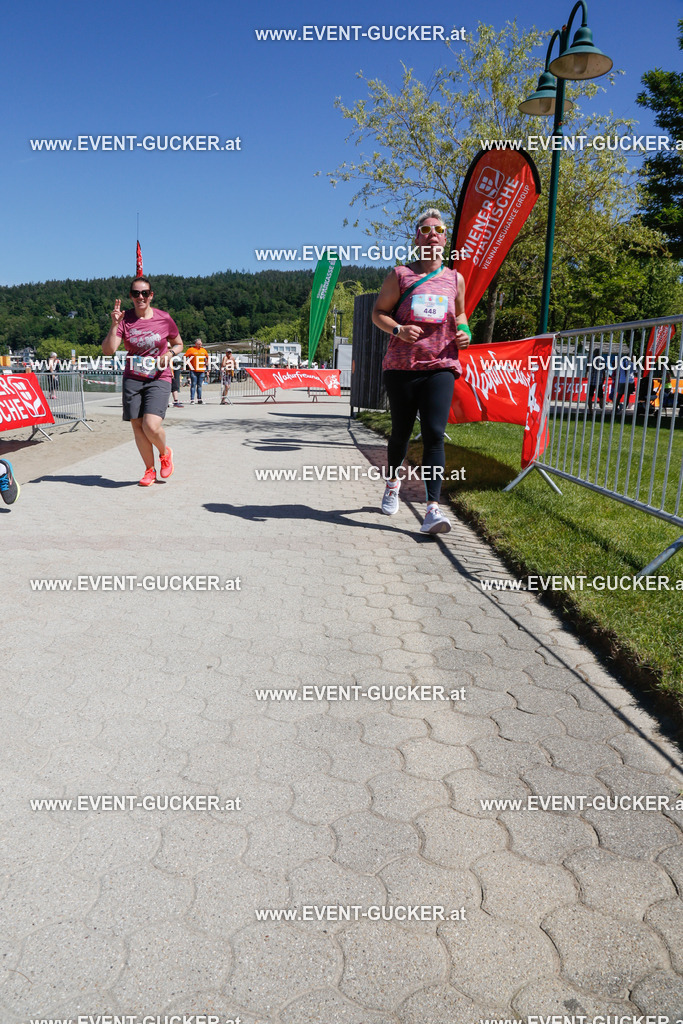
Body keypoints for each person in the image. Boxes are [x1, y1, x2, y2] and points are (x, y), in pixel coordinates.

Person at [371, 208, 471, 534]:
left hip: (441, 366)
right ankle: (391, 483)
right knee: (400, 432)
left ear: (445, 239)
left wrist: (465, 333)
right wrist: (399, 329)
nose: (432, 234)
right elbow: (378, 313)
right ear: (417, 238)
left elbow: (463, 316)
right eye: (425, 229)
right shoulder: (400, 275)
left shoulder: (455, 278)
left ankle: (432, 509)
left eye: (438, 229)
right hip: (402, 367)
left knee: (433, 434)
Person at [102, 276, 182, 486]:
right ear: (131, 296)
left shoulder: (164, 318)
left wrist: (170, 354)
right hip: (133, 379)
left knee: (151, 426)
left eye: (144, 293)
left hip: (158, 377)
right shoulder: (124, 319)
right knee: (137, 427)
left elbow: (179, 343)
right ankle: (149, 470)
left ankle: (165, 453)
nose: (140, 297)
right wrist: (114, 325)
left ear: (151, 295)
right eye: (136, 293)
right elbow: (109, 350)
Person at [184, 338, 209, 404]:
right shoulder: (191, 350)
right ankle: (192, 399)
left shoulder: (203, 350)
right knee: (193, 385)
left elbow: (207, 357)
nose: (200, 345)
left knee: (200, 385)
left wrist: (206, 363)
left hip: (201, 370)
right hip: (193, 370)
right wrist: (188, 364)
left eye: (201, 343)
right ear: (195, 344)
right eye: (199, 344)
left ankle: (199, 399)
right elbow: (184, 357)